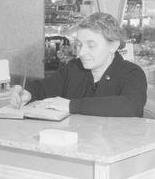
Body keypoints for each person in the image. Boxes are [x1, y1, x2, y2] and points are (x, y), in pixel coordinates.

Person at [10, 12, 147, 117]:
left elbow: (130, 106)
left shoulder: (132, 74)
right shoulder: (74, 68)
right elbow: (44, 88)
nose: (81, 52)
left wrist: (71, 105)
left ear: (113, 46)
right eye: (79, 45)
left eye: (91, 45)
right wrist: (27, 92)